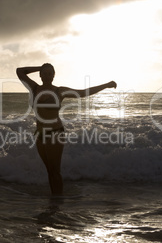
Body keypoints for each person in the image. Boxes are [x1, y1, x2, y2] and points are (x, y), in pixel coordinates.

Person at [16, 63, 116, 195]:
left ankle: (58, 203)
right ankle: (54, 201)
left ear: (54, 76)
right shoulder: (34, 88)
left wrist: (105, 85)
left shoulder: (59, 91)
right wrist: (40, 67)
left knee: (55, 171)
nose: (47, 75)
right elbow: (20, 72)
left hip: (55, 134)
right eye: (44, 73)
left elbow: (83, 93)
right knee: (49, 171)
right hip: (40, 135)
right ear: (40, 75)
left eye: (50, 73)